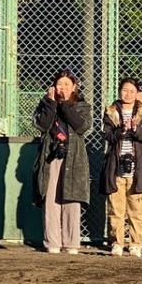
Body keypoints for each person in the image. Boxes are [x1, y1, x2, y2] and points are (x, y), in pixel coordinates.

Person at [101, 77, 142, 257]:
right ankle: (117, 242)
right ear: (119, 91)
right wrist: (121, 130)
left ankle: (136, 243)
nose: (127, 94)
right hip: (116, 165)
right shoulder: (111, 111)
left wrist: (136, 129)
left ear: (137, 93)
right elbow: (108, 136)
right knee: (116, 207)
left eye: (131, 90)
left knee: (137, 209)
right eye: (124, 90)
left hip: (139, 167)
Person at [33, 68, 91, 255]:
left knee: (71, 200)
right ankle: (52, 242)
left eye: (67, 84)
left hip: (73, 157)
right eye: (59, 84)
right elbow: (41, 125)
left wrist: (65, 104)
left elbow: (81, 126)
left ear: (74, 86)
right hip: (51, 157)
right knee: (50, 200)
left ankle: (71, 242)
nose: (63, 88)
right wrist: (51, 103)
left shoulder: (81, 105)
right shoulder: (46, 104)